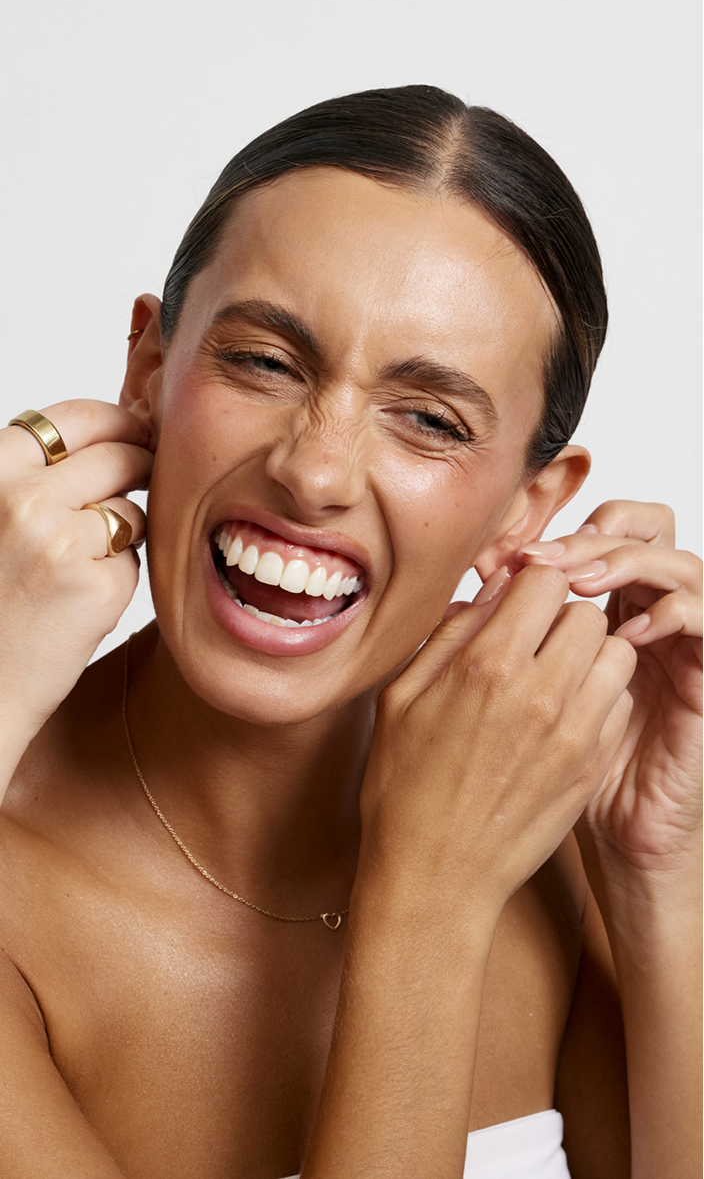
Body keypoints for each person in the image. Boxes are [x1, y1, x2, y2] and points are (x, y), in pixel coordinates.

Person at [0, 85, 701, 1179]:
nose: (315, 470)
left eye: (428, 419)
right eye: (264, 362)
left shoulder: (543, 811)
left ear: (526, 506)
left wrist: (657, 862)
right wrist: (429, 906)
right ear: (149, 369)